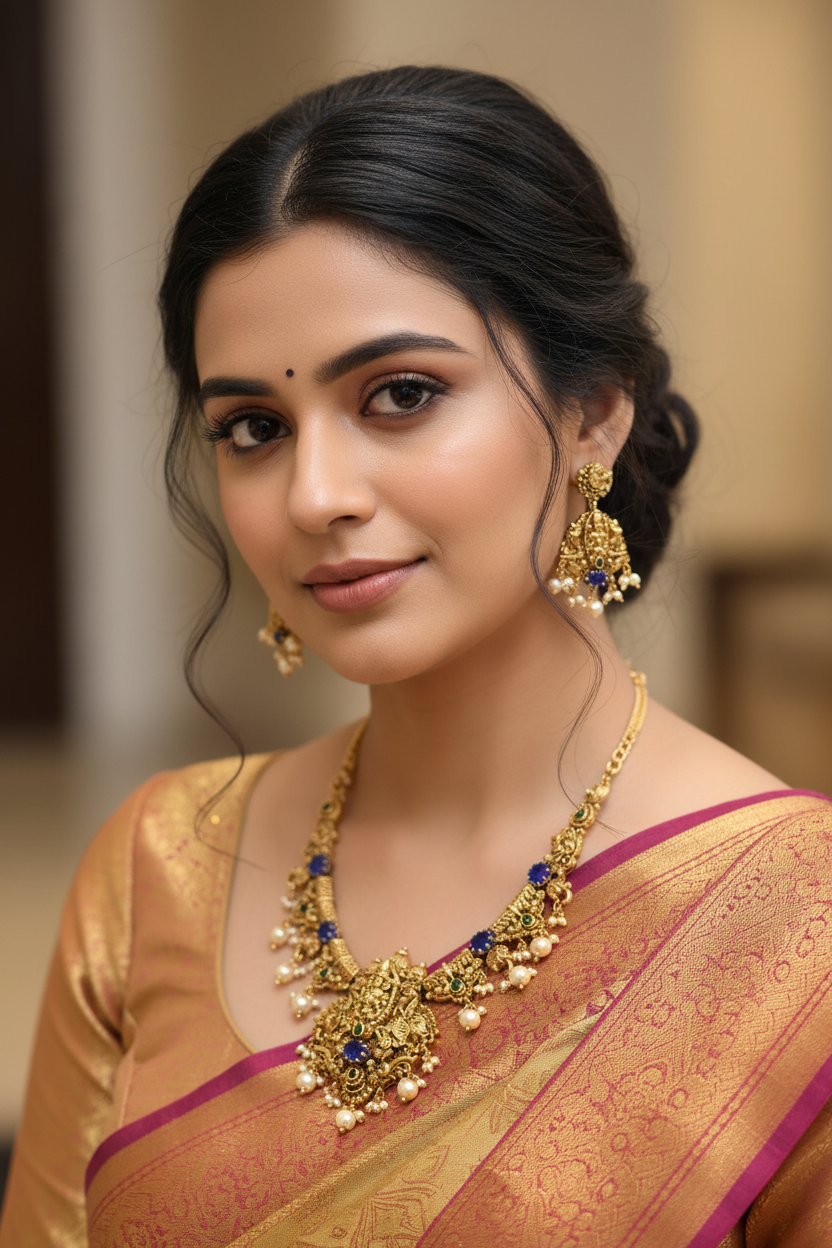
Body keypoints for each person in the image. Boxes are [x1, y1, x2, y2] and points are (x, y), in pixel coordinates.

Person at [2, 65, 830, 1248]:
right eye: (253, 428)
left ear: (595, 408)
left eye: (399, 394)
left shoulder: (797, 927)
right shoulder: (156, 875)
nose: (315, 495)